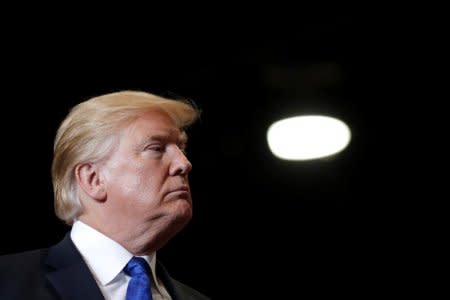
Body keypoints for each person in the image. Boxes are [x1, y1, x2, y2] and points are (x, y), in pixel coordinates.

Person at [0, 90, 210, 300]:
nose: (184, 163)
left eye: (181, 148)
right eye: (156, 148)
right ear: (93, 179)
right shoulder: (7, 281)